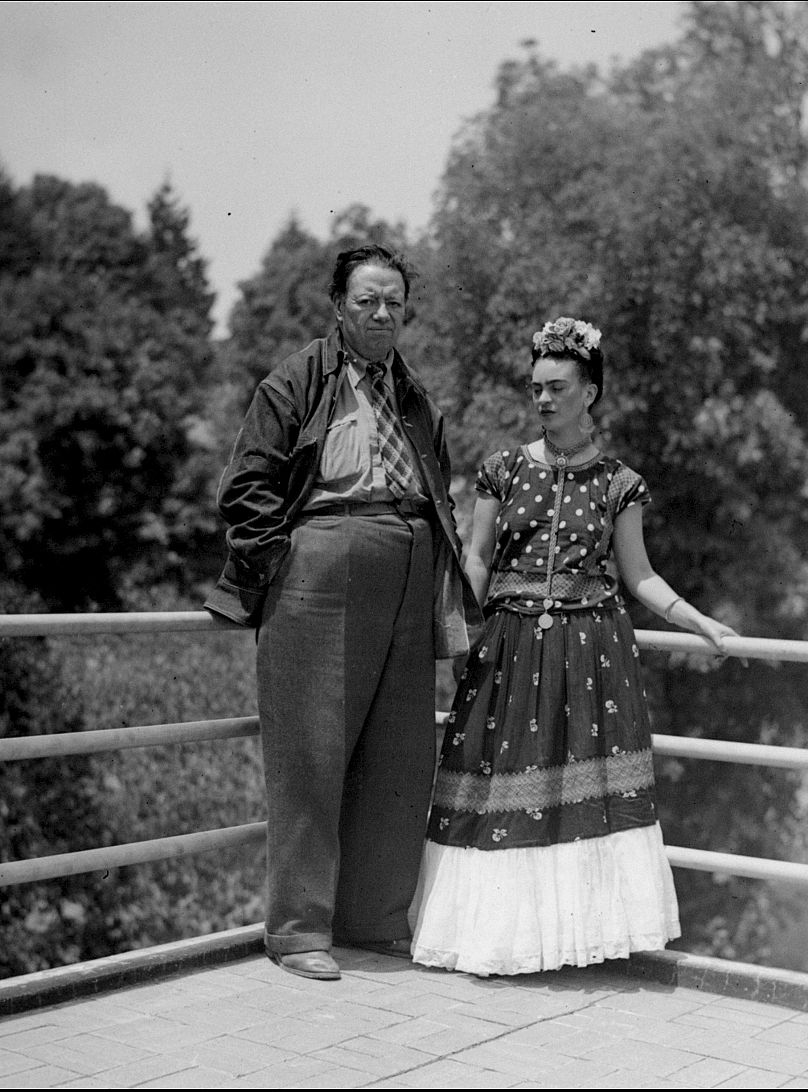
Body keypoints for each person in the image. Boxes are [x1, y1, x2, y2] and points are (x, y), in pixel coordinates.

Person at [410, 316, 737, 977]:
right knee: (499, 790)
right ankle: (498, 943)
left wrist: (701, 622)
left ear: (589, 392)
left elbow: (639, 575)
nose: (543, 399)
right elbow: (474, 560)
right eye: (537, 387)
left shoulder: (619, 483)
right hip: (508, 649)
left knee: (576, 796)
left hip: (592, 654)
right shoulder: (502, 470)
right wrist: (442, 627)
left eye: (558, 386)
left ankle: (570, 943)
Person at [205, 244, 480, 981]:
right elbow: (245, 487)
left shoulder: (415, 396)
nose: (383, 313)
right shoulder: (296, 379)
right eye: (367, 301)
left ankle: (374, 921)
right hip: (322, 563)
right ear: (338, 307)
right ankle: (298, 932)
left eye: (394, 301)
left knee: (399, 755)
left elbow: (442, 490)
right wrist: (287, 562)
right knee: (312, 751)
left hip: (410, 564)